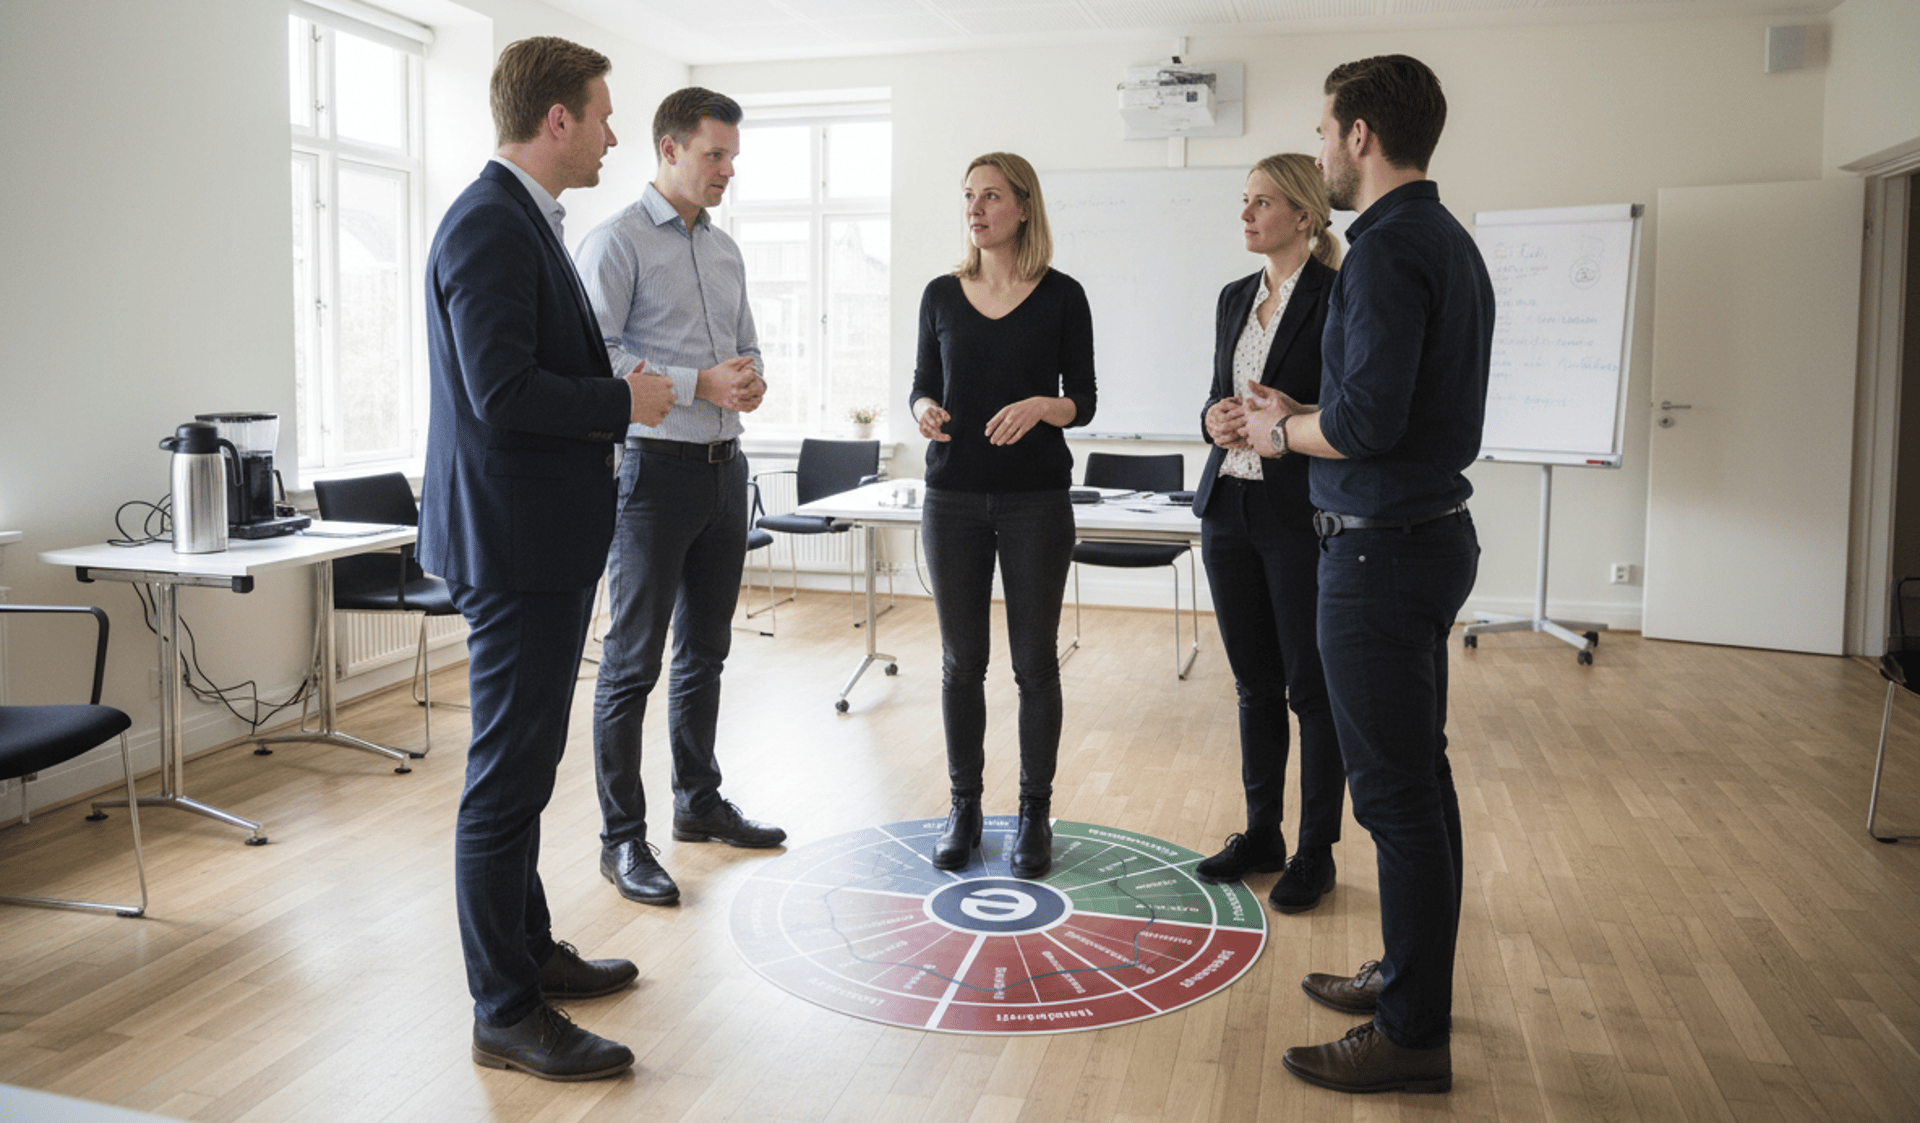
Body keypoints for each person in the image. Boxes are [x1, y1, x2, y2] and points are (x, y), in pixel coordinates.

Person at [420, 36, 677, 1081]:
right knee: (506, 775)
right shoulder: (489, 223)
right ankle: (505, 1006)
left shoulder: (518, 217)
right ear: (558, 119)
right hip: (517, 544)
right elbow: (503, 392)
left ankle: (528, 951)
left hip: (536, 536)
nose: (617, 133)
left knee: (525, 766)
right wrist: (627, 399)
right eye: (606, 115)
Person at [1241, 55, 1493, 1094]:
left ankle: (1411, 1032)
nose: (1315, 148)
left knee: (1394, 796)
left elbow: (1363, 422)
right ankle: (1408, 977)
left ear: (1359, 137)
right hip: (1420, 540)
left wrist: (1281, 425)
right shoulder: (1444, 238)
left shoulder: (1387, 254)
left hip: (1380, 554)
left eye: (1323, 129)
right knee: (1417, 787)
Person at [575, 86, 784, 911]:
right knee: (632, 662)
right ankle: (622, 839)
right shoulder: (616, 242)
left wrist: (751, 377)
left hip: (724, 469)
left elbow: (747, 341)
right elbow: (597, 358)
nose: (727, 170)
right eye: (714, 154)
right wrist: (701, 381)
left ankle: (697, 802)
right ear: (668, 149)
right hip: (651, 475)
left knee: (707, 648)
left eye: (732, 156)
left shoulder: (725, 251)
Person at [911, 152, 1096, 880]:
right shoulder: (940, 293)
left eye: (990, 195)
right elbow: (923, 385)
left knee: (1033, 664)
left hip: (1035, 502)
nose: (976, 208)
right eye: (968, 196)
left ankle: (1033, 812)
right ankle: (963, 807)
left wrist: (1042, 406)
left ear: (1023, 206)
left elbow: (1083, 396)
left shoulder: (1063, 296)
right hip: (951, 498)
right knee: (962, 665)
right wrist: (924, 411)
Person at [1189, 153, 1347, 915]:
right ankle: (1263, 833)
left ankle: (1316, 851)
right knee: (1254, 685)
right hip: (1228, 508)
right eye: (1244, 201)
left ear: (1305, 215)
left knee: (1310, 690)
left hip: (1297, 512)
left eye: (1263, 203)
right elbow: (1216, 397)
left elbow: (1348, 408)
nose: (1247, 215)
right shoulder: (1231, 298)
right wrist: (1213, 420)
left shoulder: (1338, 294)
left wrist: (1293, 411)